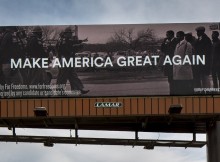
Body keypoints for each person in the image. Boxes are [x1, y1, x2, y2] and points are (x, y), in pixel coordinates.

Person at [56, 26, 89, 95]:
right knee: (63, 77)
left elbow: (72, 43)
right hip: (65, 60)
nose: (71, 34)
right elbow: (69, 50)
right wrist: (79, 47)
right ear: (66, 33)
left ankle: (78, 89)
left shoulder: (64, 40)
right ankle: (60, 91)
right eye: (70, 33)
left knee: (73, 76)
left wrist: (81, 41)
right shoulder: (64, 40)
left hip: (67, 60)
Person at [161, 30, 178, 95]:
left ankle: (174, 92)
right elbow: (163, 49)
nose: (166, 36)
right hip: (168, 61)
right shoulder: (167, 41)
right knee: (170, 79)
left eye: (167, 35)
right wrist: (164, 42)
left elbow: (172, 50)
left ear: (171, 35)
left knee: (173, 79)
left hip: (173, 61)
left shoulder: (175, 41)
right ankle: (172, 92)